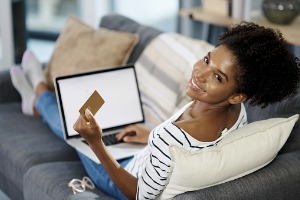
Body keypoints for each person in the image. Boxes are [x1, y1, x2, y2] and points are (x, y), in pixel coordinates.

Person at [10, 22, 300, 199]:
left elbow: (138, 194)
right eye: (207, 60)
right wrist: (150, 134)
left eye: (217, 77)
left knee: (72, 125)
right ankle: (38, 95)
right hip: (143, 155)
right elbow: (179, 148)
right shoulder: (236, 113)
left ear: (238, 95)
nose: (200, 73)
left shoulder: (171, 137)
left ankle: (38, 95)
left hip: (122, 176)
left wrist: (95, 142)